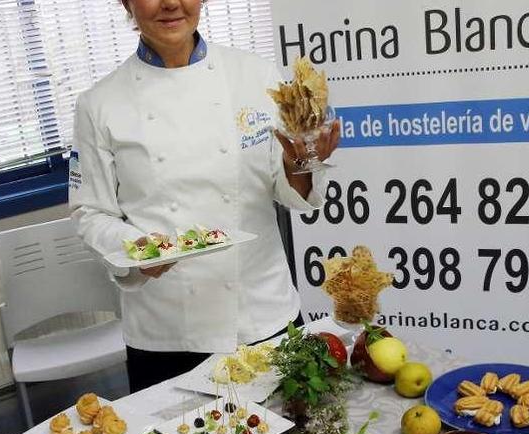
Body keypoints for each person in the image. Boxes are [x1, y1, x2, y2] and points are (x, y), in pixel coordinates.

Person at [69, 0, 340, 393]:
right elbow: (89, 211)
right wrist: (137, 252)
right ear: (126, 4)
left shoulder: (255, 76)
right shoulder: (100, 104)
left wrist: (301, 164)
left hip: (261, 311)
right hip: (168, 331)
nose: (170, 4)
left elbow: (286, 189)